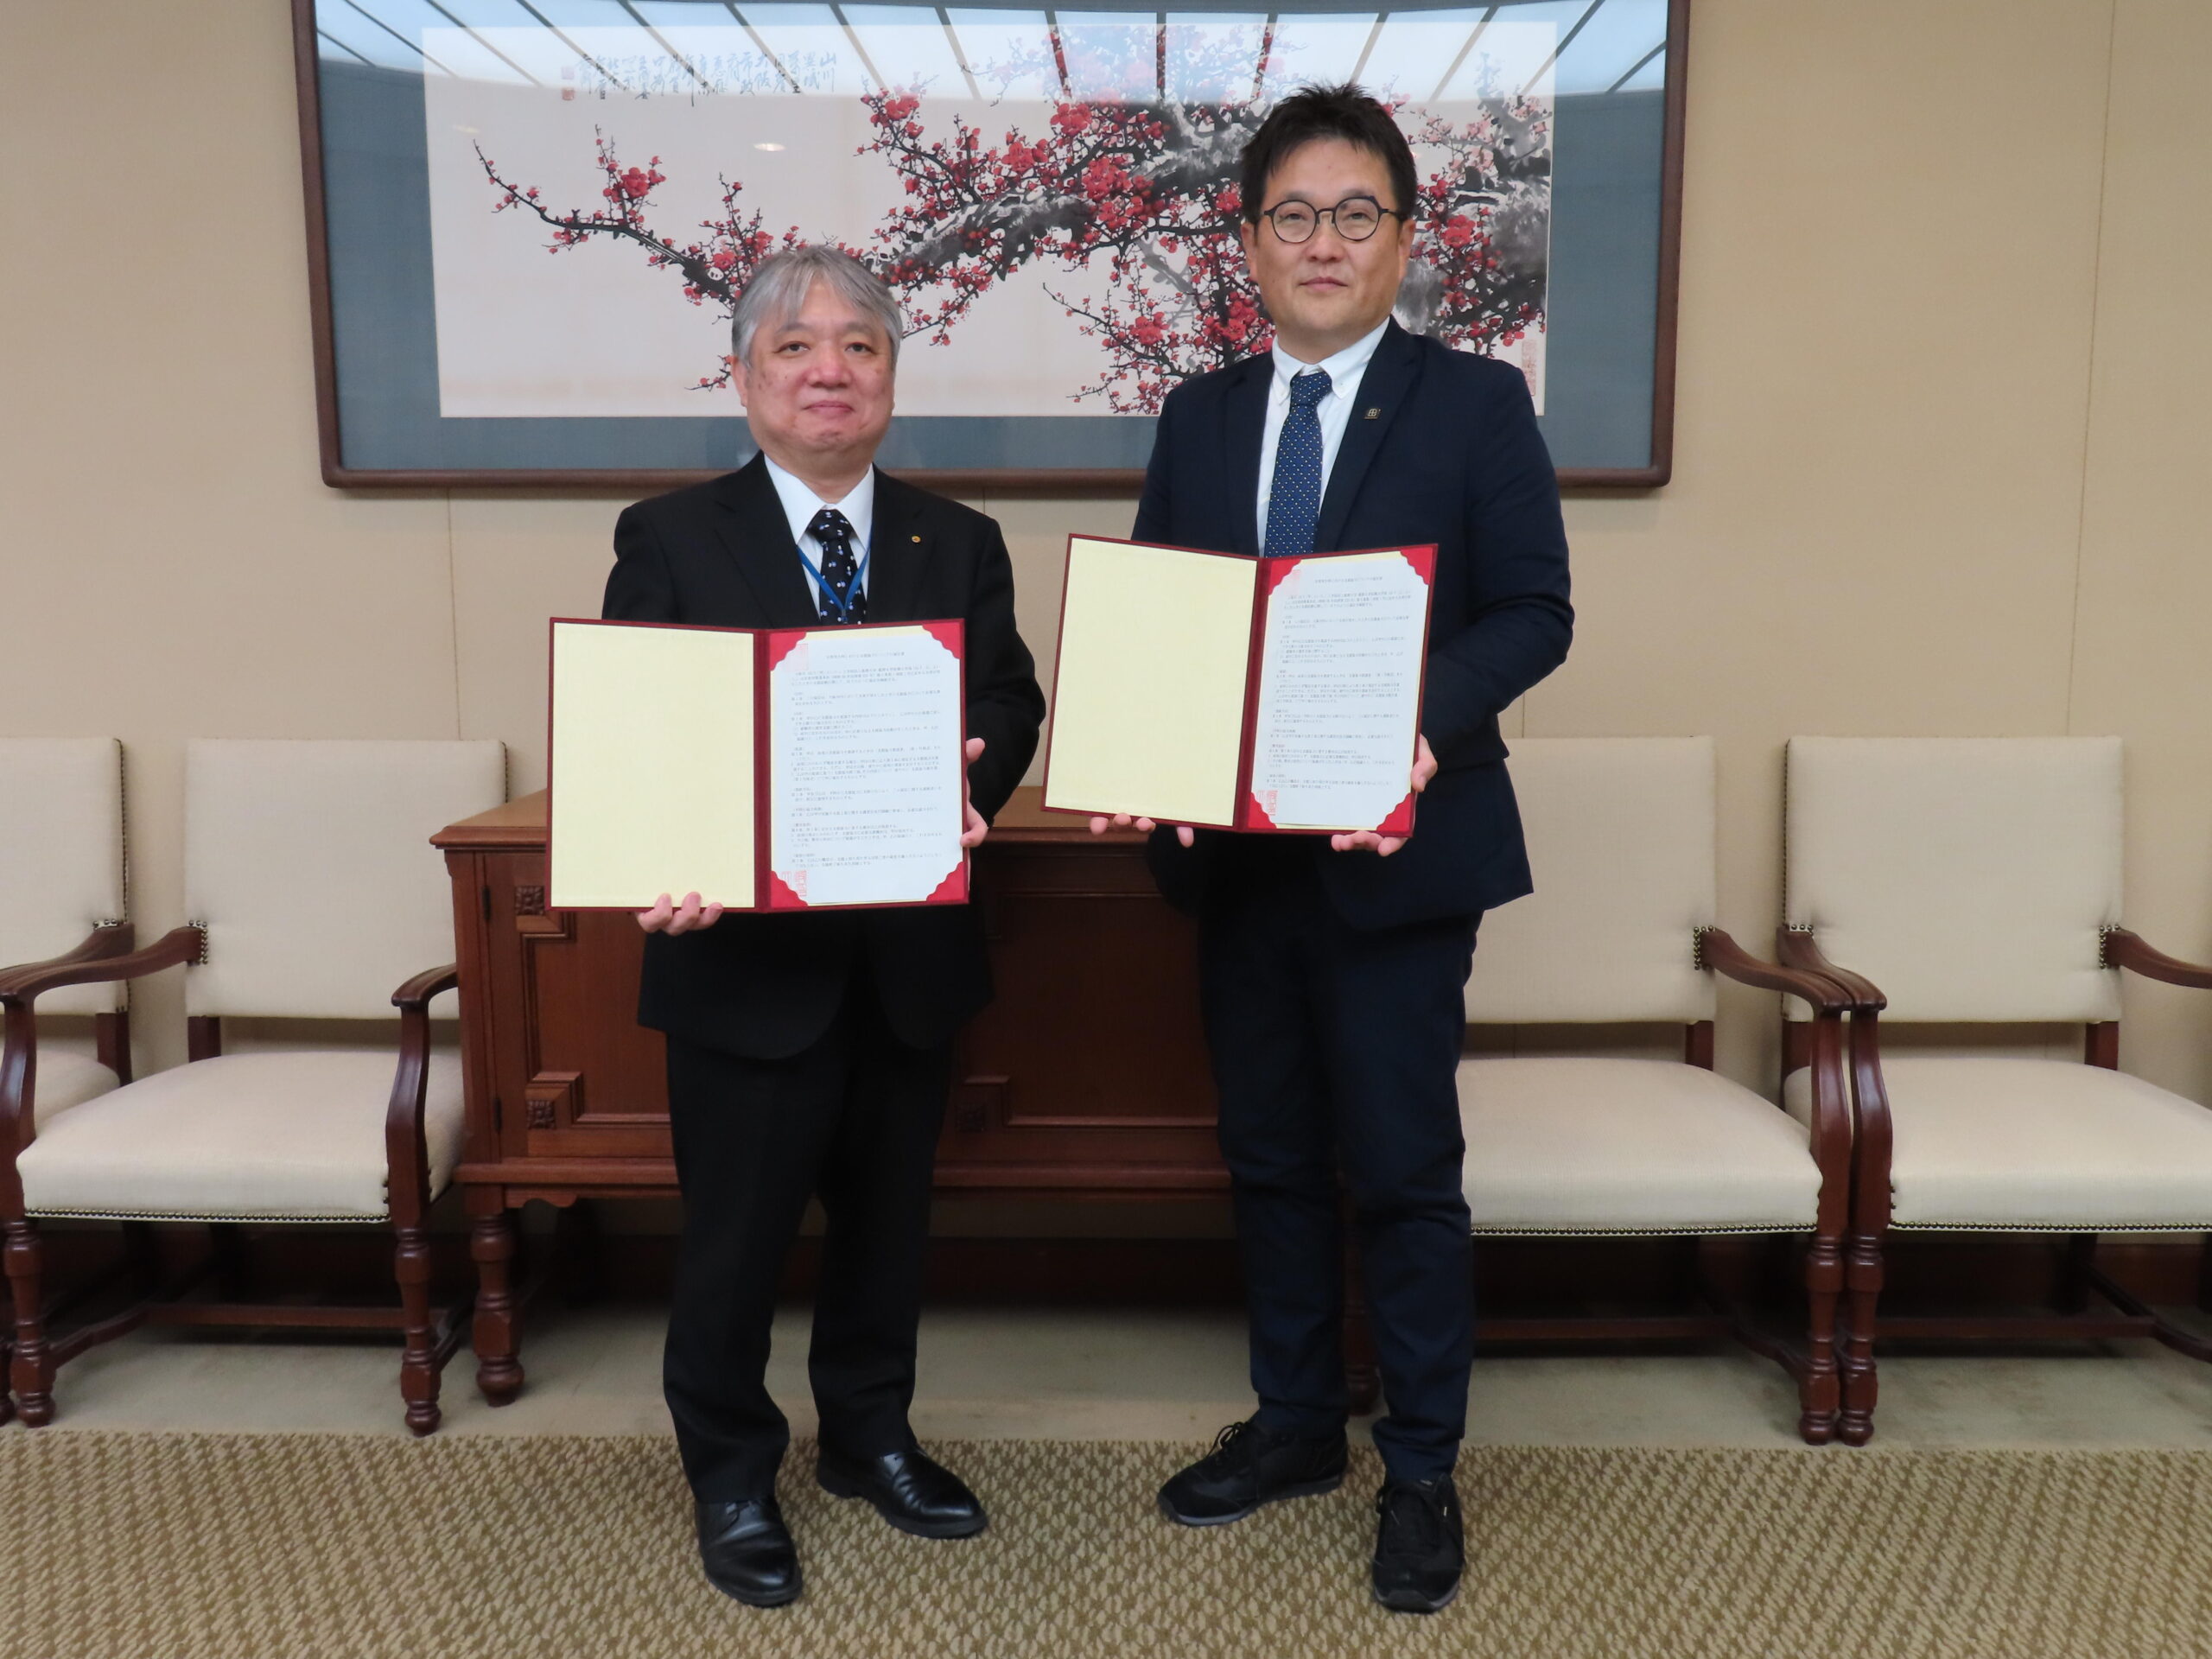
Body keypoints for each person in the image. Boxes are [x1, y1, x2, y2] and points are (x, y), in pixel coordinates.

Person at [1097, 84, 1573, 1613]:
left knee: (1405, 1170)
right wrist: (1146, 760)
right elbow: (1170, 630)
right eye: (1292, 215)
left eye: (1355, 214)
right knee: (1274, 1159)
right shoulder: (1202, 416)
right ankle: (1299, 1424)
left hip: (1399, 852)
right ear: (1247, 241)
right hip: (1240, 867)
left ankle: (1422, 1468)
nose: (1323, 241)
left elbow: (1534, 614)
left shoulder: (1476, 404)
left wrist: (1414, 732)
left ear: (1405, 239)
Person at [603, 246, 1045, 1608]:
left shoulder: (956, 539)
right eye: (796, 347)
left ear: (893, 379)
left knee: (886, 1231)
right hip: (742, 967)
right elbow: (643, 728)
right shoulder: (671, 537)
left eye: (860, 344)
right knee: (733, 1240)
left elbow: (1012, 705)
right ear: (743, 378)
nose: (830, 369)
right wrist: (662, 856)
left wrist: (970, 783)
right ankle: (731, 1470)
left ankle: (868, 1437)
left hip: (906, 964)